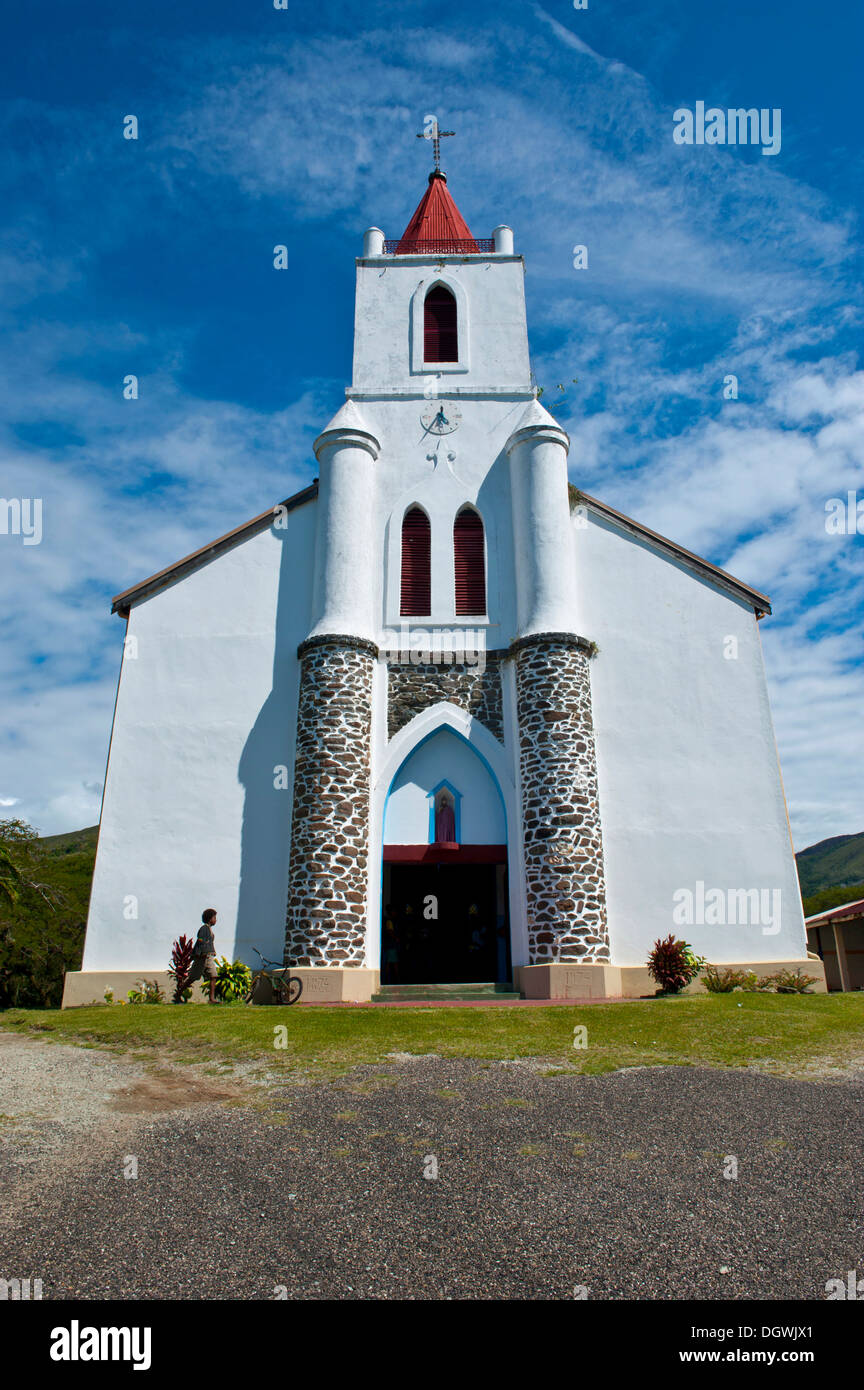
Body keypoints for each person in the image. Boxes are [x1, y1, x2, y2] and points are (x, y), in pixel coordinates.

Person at [186, 908, 219, 1002]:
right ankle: (178, 994)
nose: (215, 920)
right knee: (193, 978)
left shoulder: (209, 930)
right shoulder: (204, 929)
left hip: (208, 957)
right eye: (214, 918)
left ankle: (211, 999)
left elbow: (209, 943)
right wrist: (202, 952)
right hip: (202, 957)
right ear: (209, 919)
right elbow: (201, 942)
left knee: (213, 976)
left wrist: (213, 951)